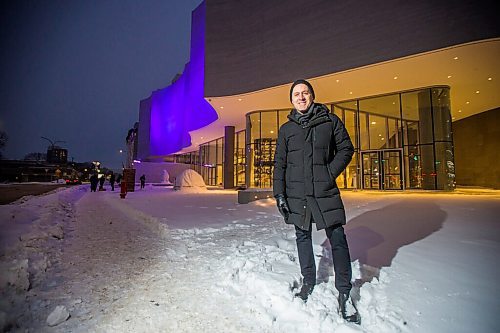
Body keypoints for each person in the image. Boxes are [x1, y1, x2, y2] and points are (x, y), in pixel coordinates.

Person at [273, 79, 360, 323]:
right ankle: (308, 281)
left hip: (324, 191)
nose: (301, 97)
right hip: (297, 193)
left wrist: (328, 174)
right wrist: (279, 193)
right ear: (291, 100)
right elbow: (280, 163)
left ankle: (344, 291)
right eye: (296, 94)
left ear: (312, 96)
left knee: (338, 238)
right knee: (303, 237)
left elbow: (346, 149)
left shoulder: (329, 121)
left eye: (305, 93)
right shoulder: (286, 130)